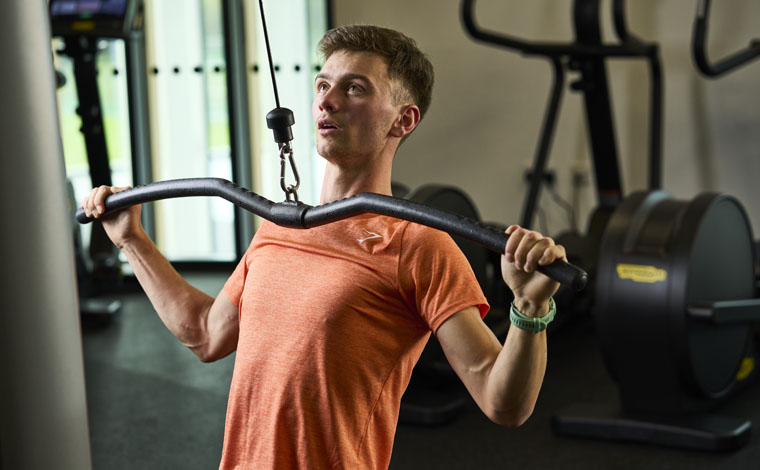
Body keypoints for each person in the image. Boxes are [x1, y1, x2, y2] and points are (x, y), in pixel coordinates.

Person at [81, 25, 566, 470]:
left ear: (403, 120)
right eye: (322, 85)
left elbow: (501, 400)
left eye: (354, 88)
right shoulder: (279, 227)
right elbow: (206, 335)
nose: (326, 102)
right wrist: (130, 239)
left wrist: (529, 305)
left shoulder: (419, 245)